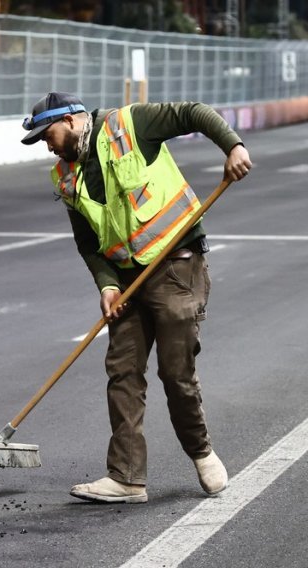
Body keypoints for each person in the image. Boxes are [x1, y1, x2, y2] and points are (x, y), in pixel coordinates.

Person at [20, 92, 252, 503]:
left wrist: (232, 146)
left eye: (48, 134)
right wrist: (107, 285)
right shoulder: (65, 176)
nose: (47, 144)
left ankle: (201, 453)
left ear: (72, 120)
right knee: (123, 372)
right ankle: (126, 477)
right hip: (128, 281)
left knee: (174, 372)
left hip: (176, 268)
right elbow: (88, 242)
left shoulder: (130, 125)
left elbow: (193, 113)